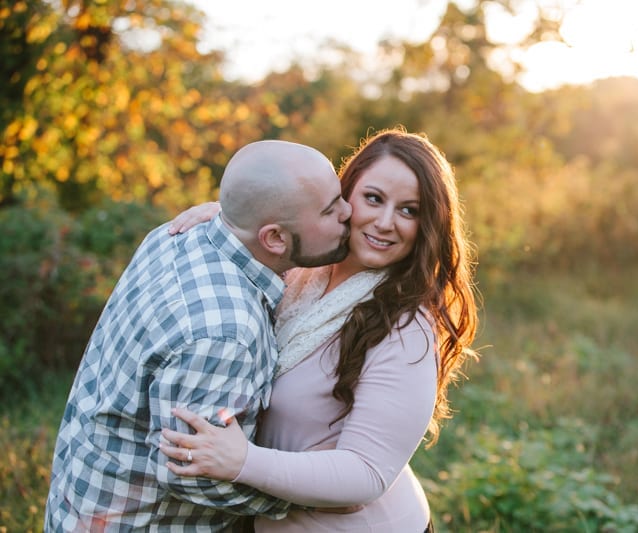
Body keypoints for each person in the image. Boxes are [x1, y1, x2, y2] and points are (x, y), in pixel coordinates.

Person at [159, 127, 479, 532]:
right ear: (344, 195)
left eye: (409, 210)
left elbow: (365, 472)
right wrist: (232, 219)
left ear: (428, 224)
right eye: (374, 198)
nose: (384, 223)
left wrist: (243, 462)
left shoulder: (406, 327)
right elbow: (268, 231)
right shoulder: (307, 266)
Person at [44, 140, 353, 531]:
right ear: (273, 239)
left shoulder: (175, 235)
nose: (349, 211)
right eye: (330, 209)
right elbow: (191, 472)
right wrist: (304, 498)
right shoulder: (224, 333)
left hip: (79, 501)